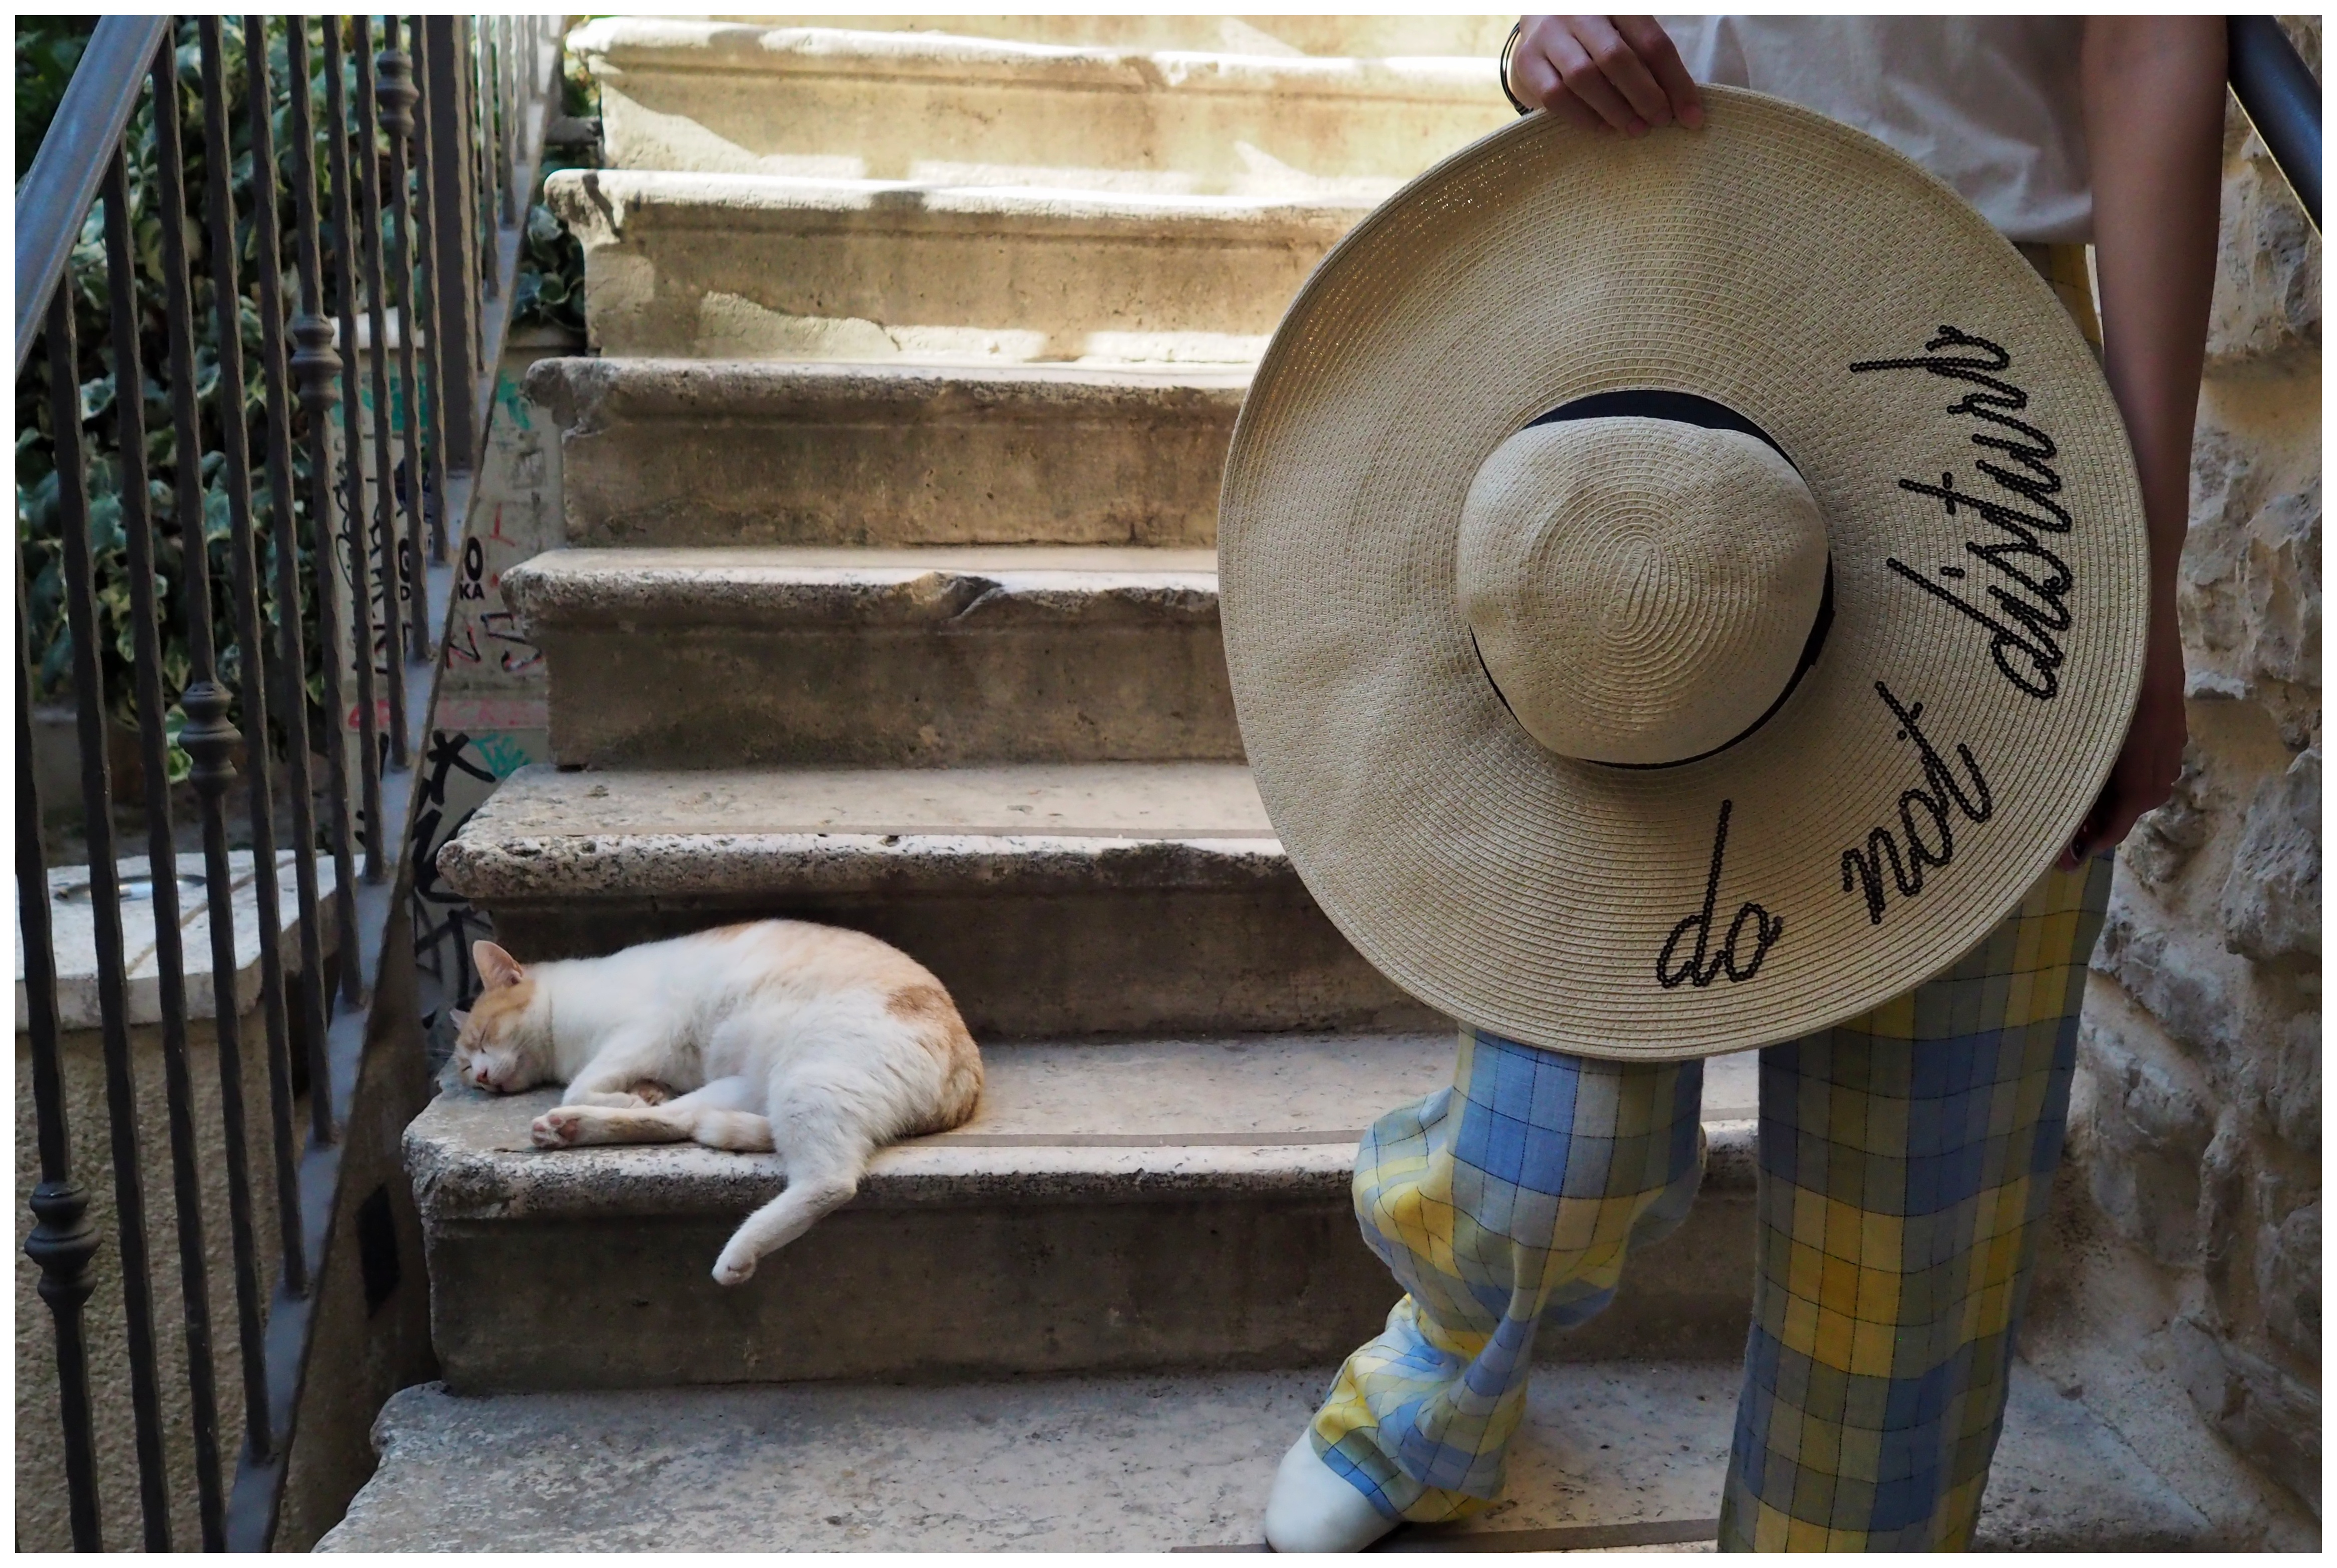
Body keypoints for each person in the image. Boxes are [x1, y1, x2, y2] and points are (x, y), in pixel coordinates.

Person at [1259, 16, 2225, 1551]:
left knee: (1921, 1186)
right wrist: (1536, 36)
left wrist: (2139, 573)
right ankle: (1440, 1371)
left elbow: (2150, 49)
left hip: (1977, 360)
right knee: (1552, 1134)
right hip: (1640, 291)